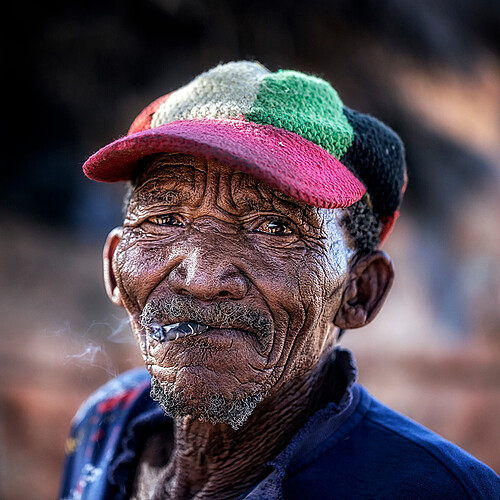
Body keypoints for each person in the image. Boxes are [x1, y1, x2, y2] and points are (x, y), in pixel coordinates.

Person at [59, 61, 500, 500]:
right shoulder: (104, 425)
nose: (202, 277)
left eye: (272, 227)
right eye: (166, 218)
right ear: (115, 266)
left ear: (360, 291)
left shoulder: (435, 491)